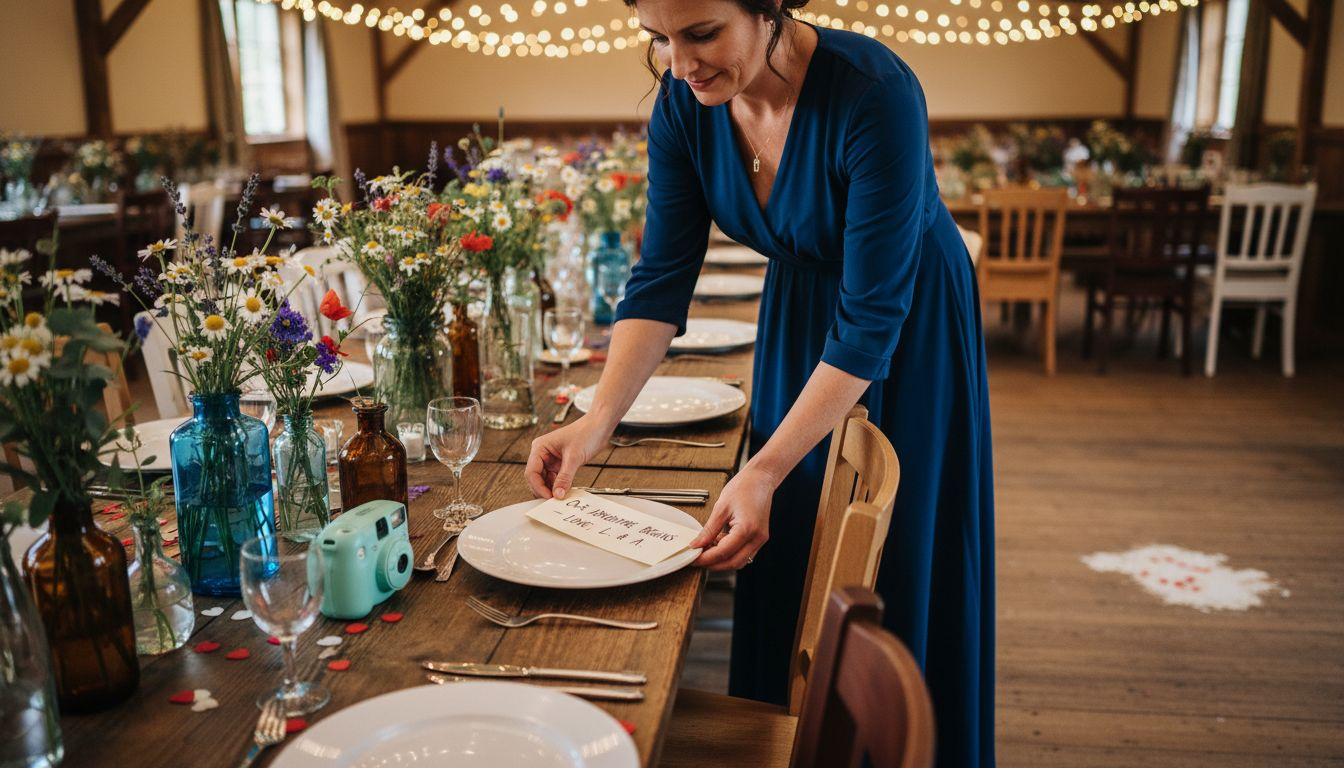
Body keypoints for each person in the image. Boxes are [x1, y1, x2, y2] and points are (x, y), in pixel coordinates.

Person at [524, 1, 994, 765]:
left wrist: (765, 467)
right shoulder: (682, 106)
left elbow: (871, 320)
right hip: (798, 317)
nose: (681, 65)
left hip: (909, 322)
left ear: (769, 7)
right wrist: (595, 422)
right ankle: (797, 724)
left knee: (894, 555)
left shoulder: (874, 92)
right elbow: (660, 278)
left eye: (702, 33)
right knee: (784, 537)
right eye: (658, 40)